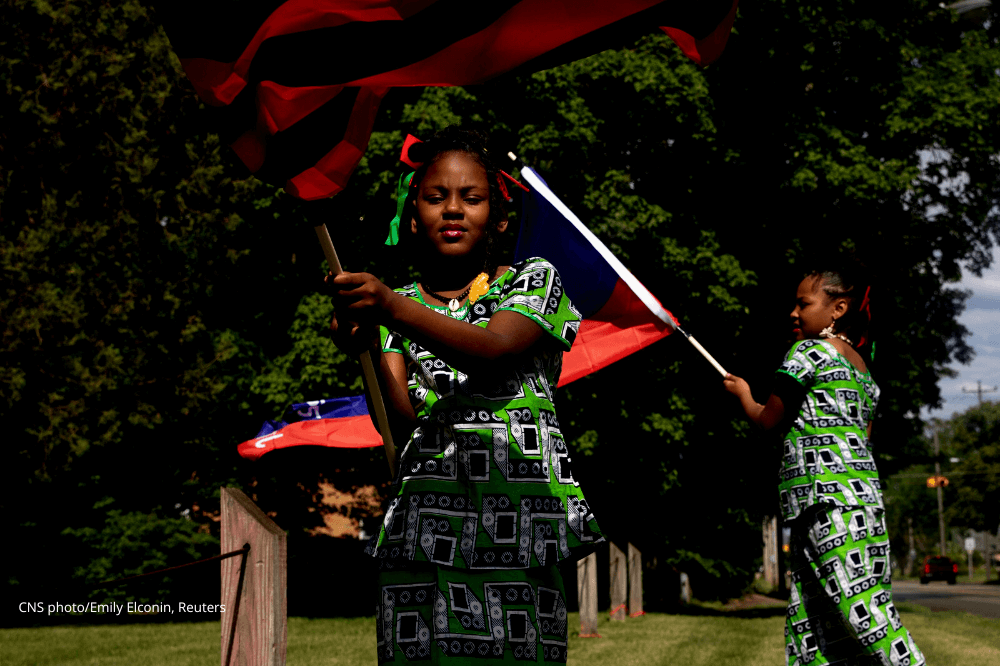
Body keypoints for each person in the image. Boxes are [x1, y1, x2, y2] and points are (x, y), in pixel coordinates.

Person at [327, 126, 603, 664]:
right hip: (424, 535)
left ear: (499, 219)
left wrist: (390, 311)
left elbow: (494, 349)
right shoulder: (396, 305)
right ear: (412, 216)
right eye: (435, 197)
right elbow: (400, 427)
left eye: (471, 198)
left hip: (521, 533)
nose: (452, 209)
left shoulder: (533, 281)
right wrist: (364, 348)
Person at [723, 267, 925, 666]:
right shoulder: (863, 370)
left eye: (803, 304)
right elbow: (858, 436)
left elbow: (768, 420)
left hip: (824, 503)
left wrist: (744, 394)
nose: (793, 314)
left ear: (838, 309)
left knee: (865, 613)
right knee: (815, 624)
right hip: (861, 505)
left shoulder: (807, 353)